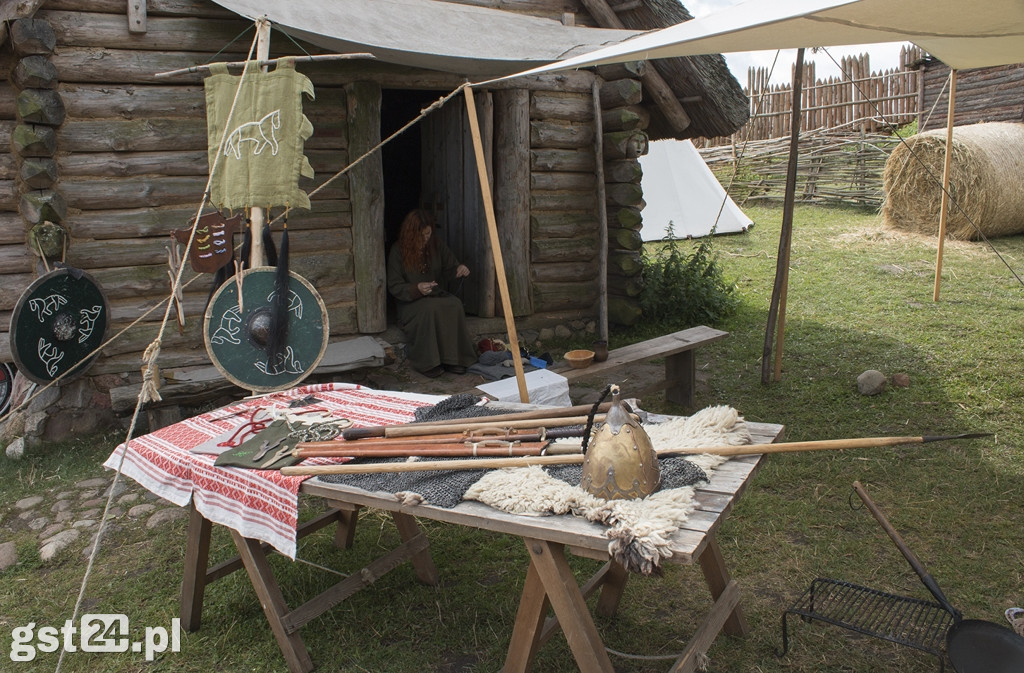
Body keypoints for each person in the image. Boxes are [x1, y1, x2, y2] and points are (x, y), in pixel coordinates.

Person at [386, 209, 478, 377]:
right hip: (410, 302)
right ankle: (428, 362)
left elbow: (451, 267)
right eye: (421, 236)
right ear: (411, 234)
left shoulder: (436, 245)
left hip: (435, 295)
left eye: (428, 234)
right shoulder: (397, 250)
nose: (425, 239)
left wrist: (459, 268)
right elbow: (394, 285)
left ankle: (454, 359)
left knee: (454, 304)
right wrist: (417, 288)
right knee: (430, 309)